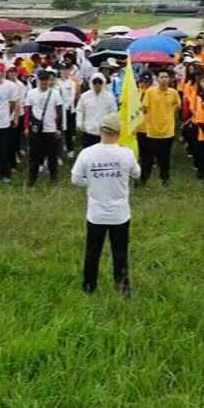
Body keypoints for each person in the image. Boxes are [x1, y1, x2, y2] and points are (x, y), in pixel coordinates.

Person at [71, 112, 141, 295]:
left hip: (96, 214)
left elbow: (76, 179)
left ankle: (88, 287)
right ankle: (122, 289)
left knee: (92, 251)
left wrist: (92, 182)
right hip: (120, 215)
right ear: (119, 132)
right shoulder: (126, 154)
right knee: (120, 253)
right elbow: (137, 173)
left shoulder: (87, 153)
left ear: (101, 130)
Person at [139, 70, 181, 186]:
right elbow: (144, 108)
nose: (164, 79)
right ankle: (144, 180)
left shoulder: (173, 93)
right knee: (147, 159)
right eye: (162, 77)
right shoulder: (150, 92)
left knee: (165, 159)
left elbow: (178, 107)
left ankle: (165, 179)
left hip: (167, 132)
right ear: (157, 79)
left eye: (166, 77)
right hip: (152, 131)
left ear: (170, 79)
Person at [25, 69, 65, 187]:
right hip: (36, 130)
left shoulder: (55, 93)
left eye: (46, 80)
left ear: (49, 81)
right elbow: (27, 111)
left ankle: (53, 180)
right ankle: (31, 181)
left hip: (51, 130)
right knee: (34, 158)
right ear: (38, 80)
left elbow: (59, 112)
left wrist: (58, 128)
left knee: (52, 158)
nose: (44, 82)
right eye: (41, 80)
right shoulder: (31, 93)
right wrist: (26, 127)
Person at [76, 73, 118, 150]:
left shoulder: (109, 97)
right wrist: (79, 122)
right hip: (88, 131)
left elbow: (113, 112)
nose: (97, 84)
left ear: (103, 82)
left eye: (100, 82)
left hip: (104, 132)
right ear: (91, 83)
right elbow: (80, 110)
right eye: (95, 82)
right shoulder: (85, 96)